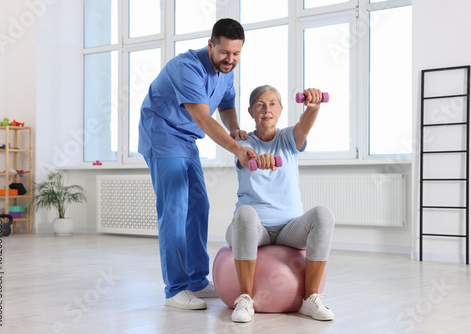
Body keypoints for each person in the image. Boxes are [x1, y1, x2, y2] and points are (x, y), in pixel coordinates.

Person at [138, 18, 256, 311]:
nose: (230, 60)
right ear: (210, 45)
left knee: (199, 205)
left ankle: (196, 279)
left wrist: (235, 129)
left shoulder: (226, 71)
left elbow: (226, 103)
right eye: (225, 53)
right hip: (162, 134)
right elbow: (203, 119)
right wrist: (238, 149)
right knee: (175, 209)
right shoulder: (186, 68)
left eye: (236, 54)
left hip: (186, 141)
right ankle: (175, 288)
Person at [225, 85, 336, 322]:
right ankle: (245, 298)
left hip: (289, 228)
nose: (267, 110)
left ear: (281, 109)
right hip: (254, 230)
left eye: (273, 104)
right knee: (245, 213)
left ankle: (310, 298)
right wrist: (258, 157)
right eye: (260, 105)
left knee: (323, 215)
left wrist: (313, 106)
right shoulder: (241, 142)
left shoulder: (289, 138)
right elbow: (245, 157)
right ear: (250, 112)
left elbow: (304, 126)